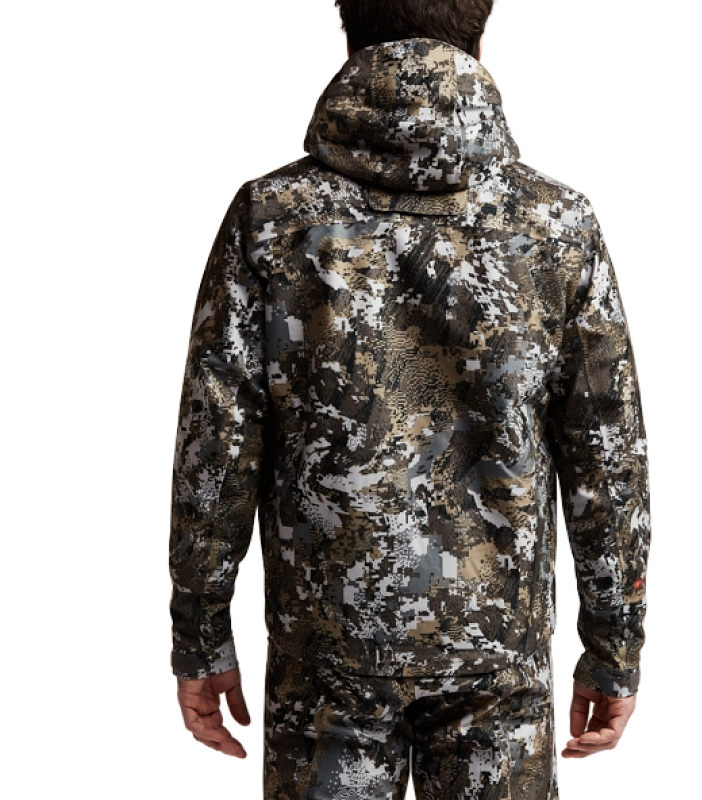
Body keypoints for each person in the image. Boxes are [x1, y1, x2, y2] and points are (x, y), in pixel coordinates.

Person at [168, 2, 651, 798]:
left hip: (326, 659)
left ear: (347, 37)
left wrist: (199, 635)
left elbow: (214, 449)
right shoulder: (559, 223)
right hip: (498, 661)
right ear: (482, 41)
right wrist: (614, 648)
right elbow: (609, 458)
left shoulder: (270, 217)